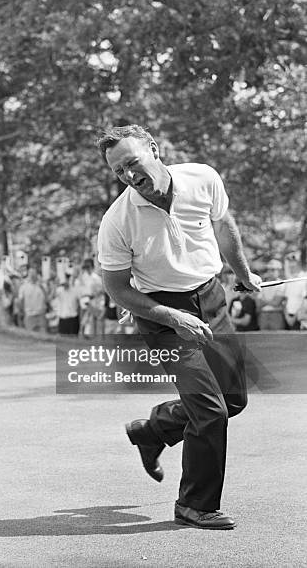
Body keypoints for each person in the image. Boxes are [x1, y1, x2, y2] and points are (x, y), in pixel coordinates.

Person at [97, 124, 261, 530]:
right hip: (163, 315)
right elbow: (116, 287)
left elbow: (223, 227)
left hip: (211, 297)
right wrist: (171, 316)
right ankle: (194, 505)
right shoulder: (117, 221)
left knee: (233, 400)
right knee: (209, 411)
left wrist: (243, 273)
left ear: (154, 149)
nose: (129, 175)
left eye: (133, 162)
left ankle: (153, 430)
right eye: (119, 171)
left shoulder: (202, 178)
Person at [257, 259, 286, 330]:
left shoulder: (281, 284)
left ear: (279, 271)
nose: (270, 272)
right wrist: (270, 301)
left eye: (273, 269)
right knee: (263, 339)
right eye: (269, 269)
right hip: (263, 315)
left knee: (277, 339)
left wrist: (265, 301)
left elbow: (276, 302)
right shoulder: (262, 284)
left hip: (276, 315)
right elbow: (258, 303)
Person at [282, 252, 307, 329]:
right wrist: (286, 315)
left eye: (294, 262)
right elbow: (286, 299)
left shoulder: (304, 277)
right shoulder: (289, 279)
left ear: (299, 263)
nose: (291, 265)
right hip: (289, 317)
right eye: (290, 262)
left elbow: (305, 300)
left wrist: (296, 316)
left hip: (300, 318)